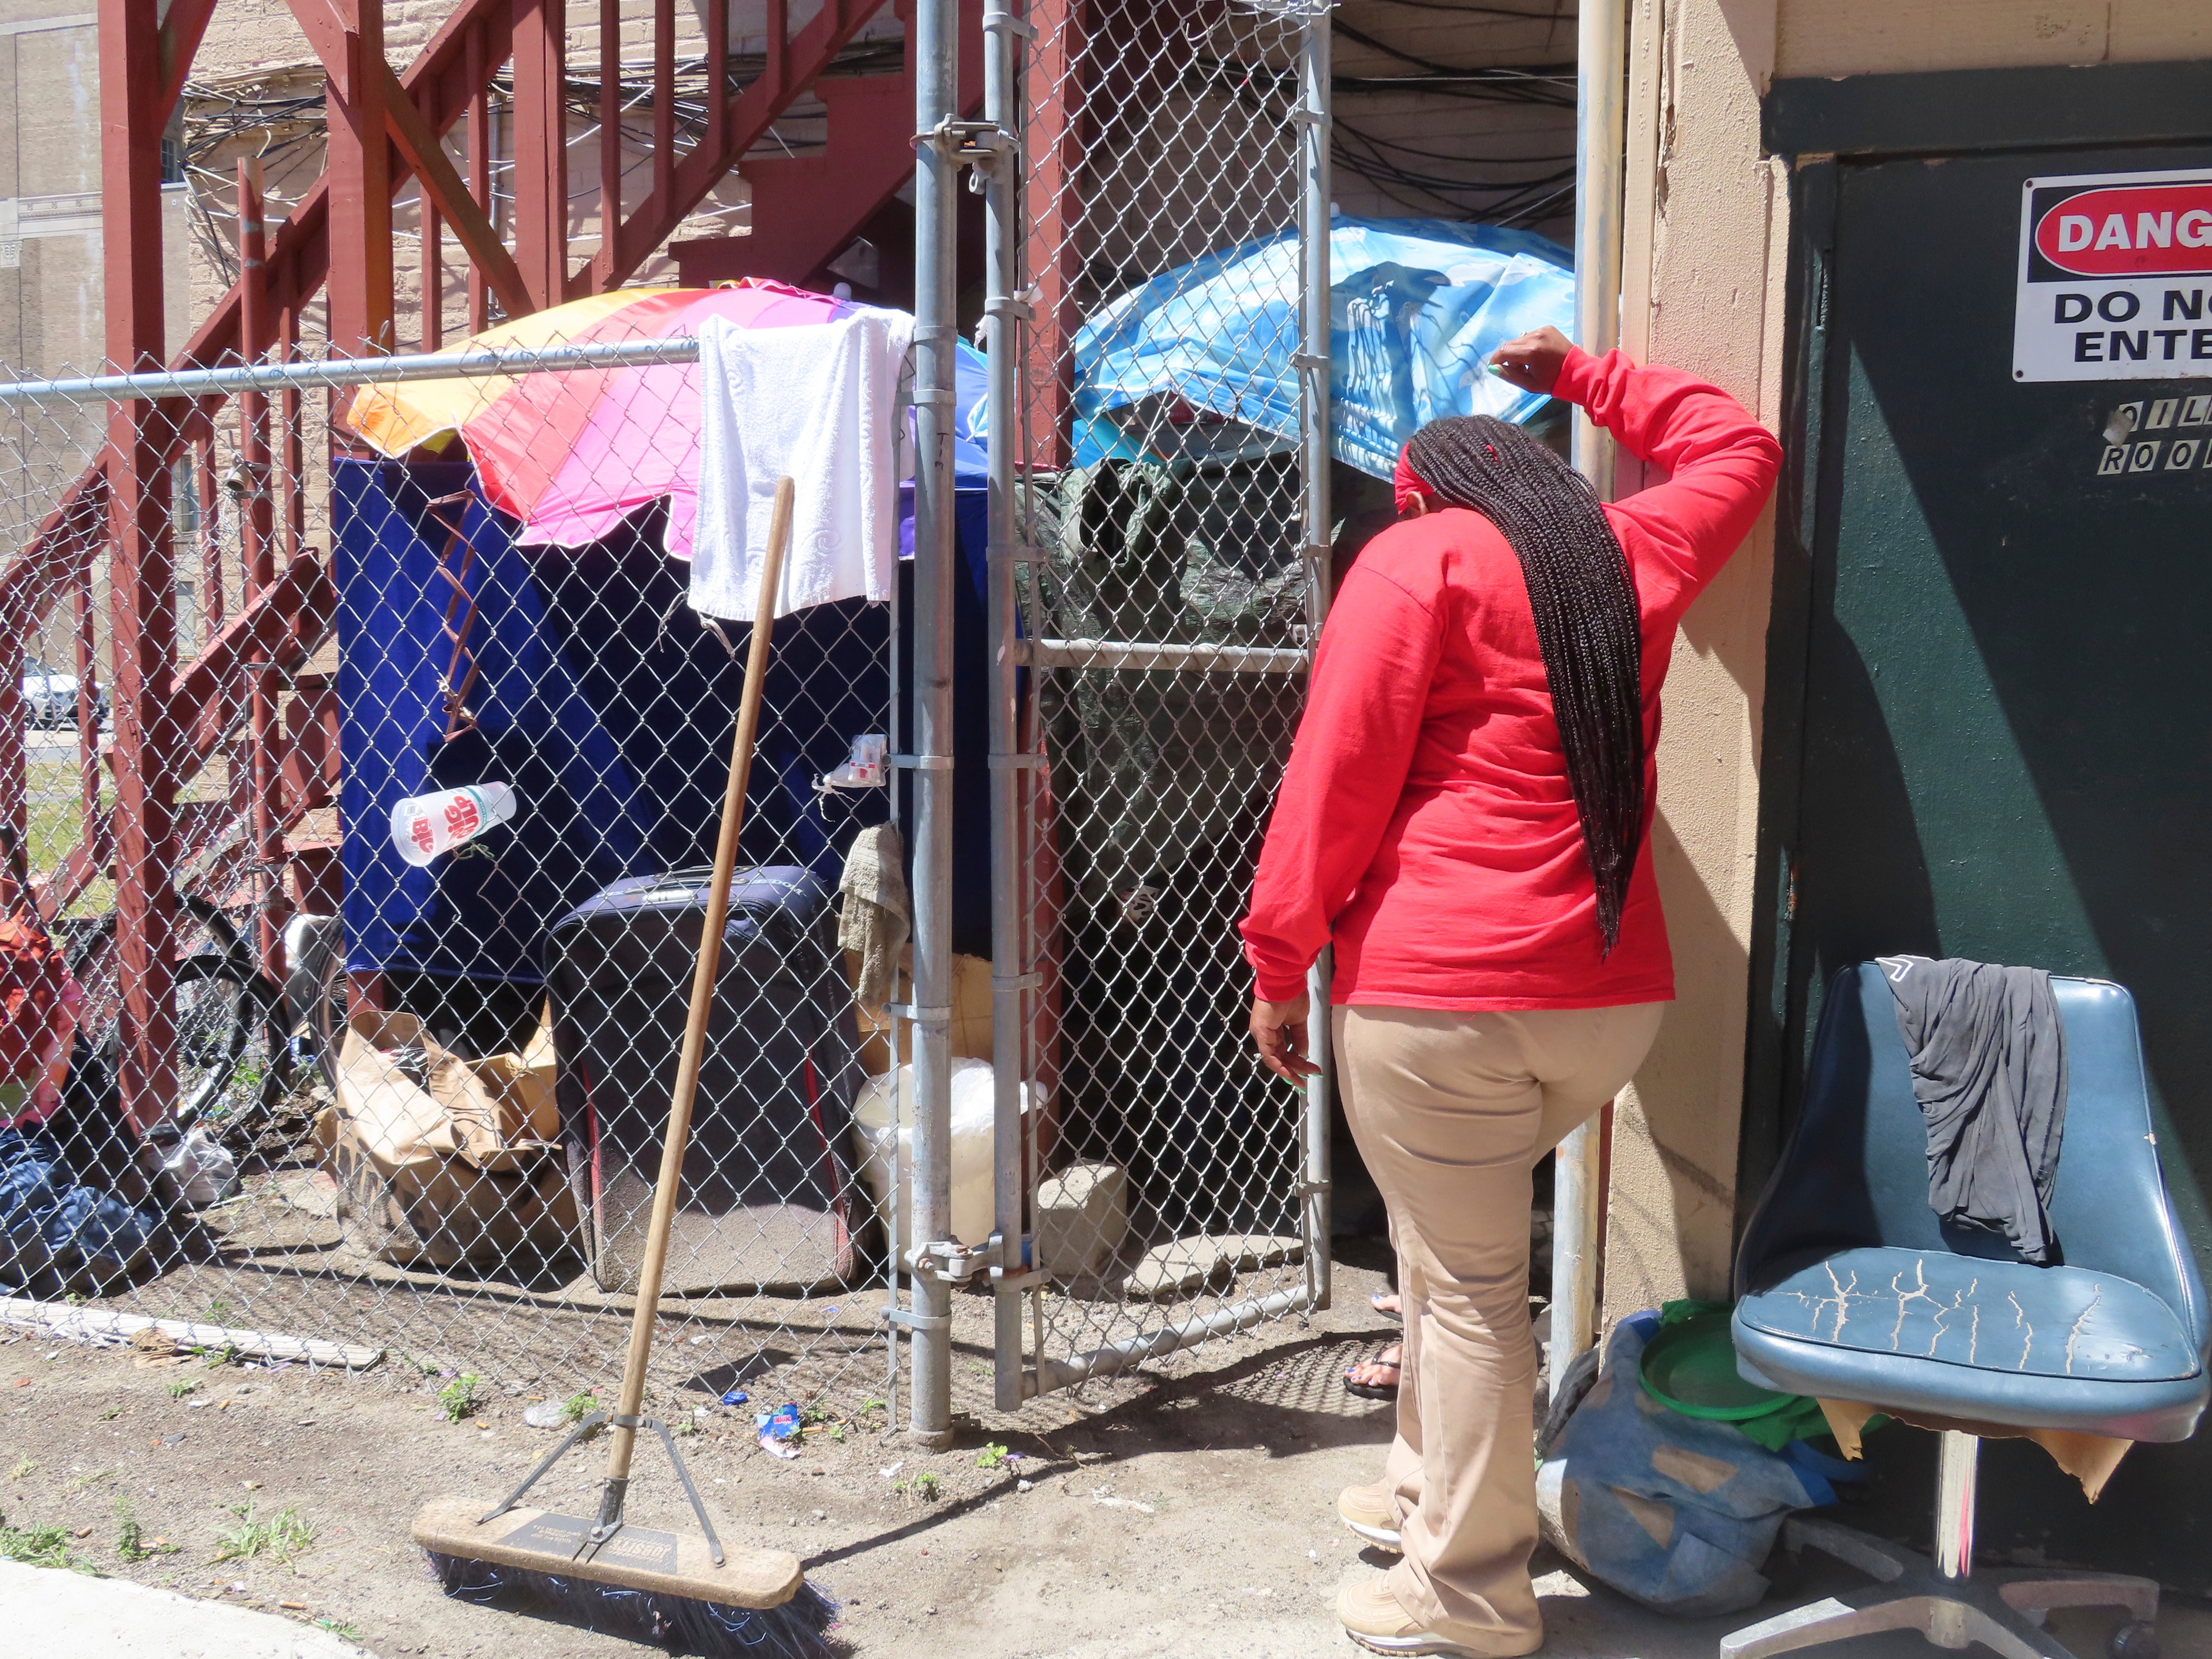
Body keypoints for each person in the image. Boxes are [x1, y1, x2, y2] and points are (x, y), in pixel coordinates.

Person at [1240, 326, 1780, 1657]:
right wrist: (1589, 376)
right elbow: (1738, 446)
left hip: (1440, 1002)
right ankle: (1428, 1496)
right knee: (1446, 1254)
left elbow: (1336, 778)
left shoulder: (1414, 559)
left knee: (1470, 1286)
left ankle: (1468, 1595)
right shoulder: (1631, 555)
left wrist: (1277, 957)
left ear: (1429, 495)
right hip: (1606, 1005)